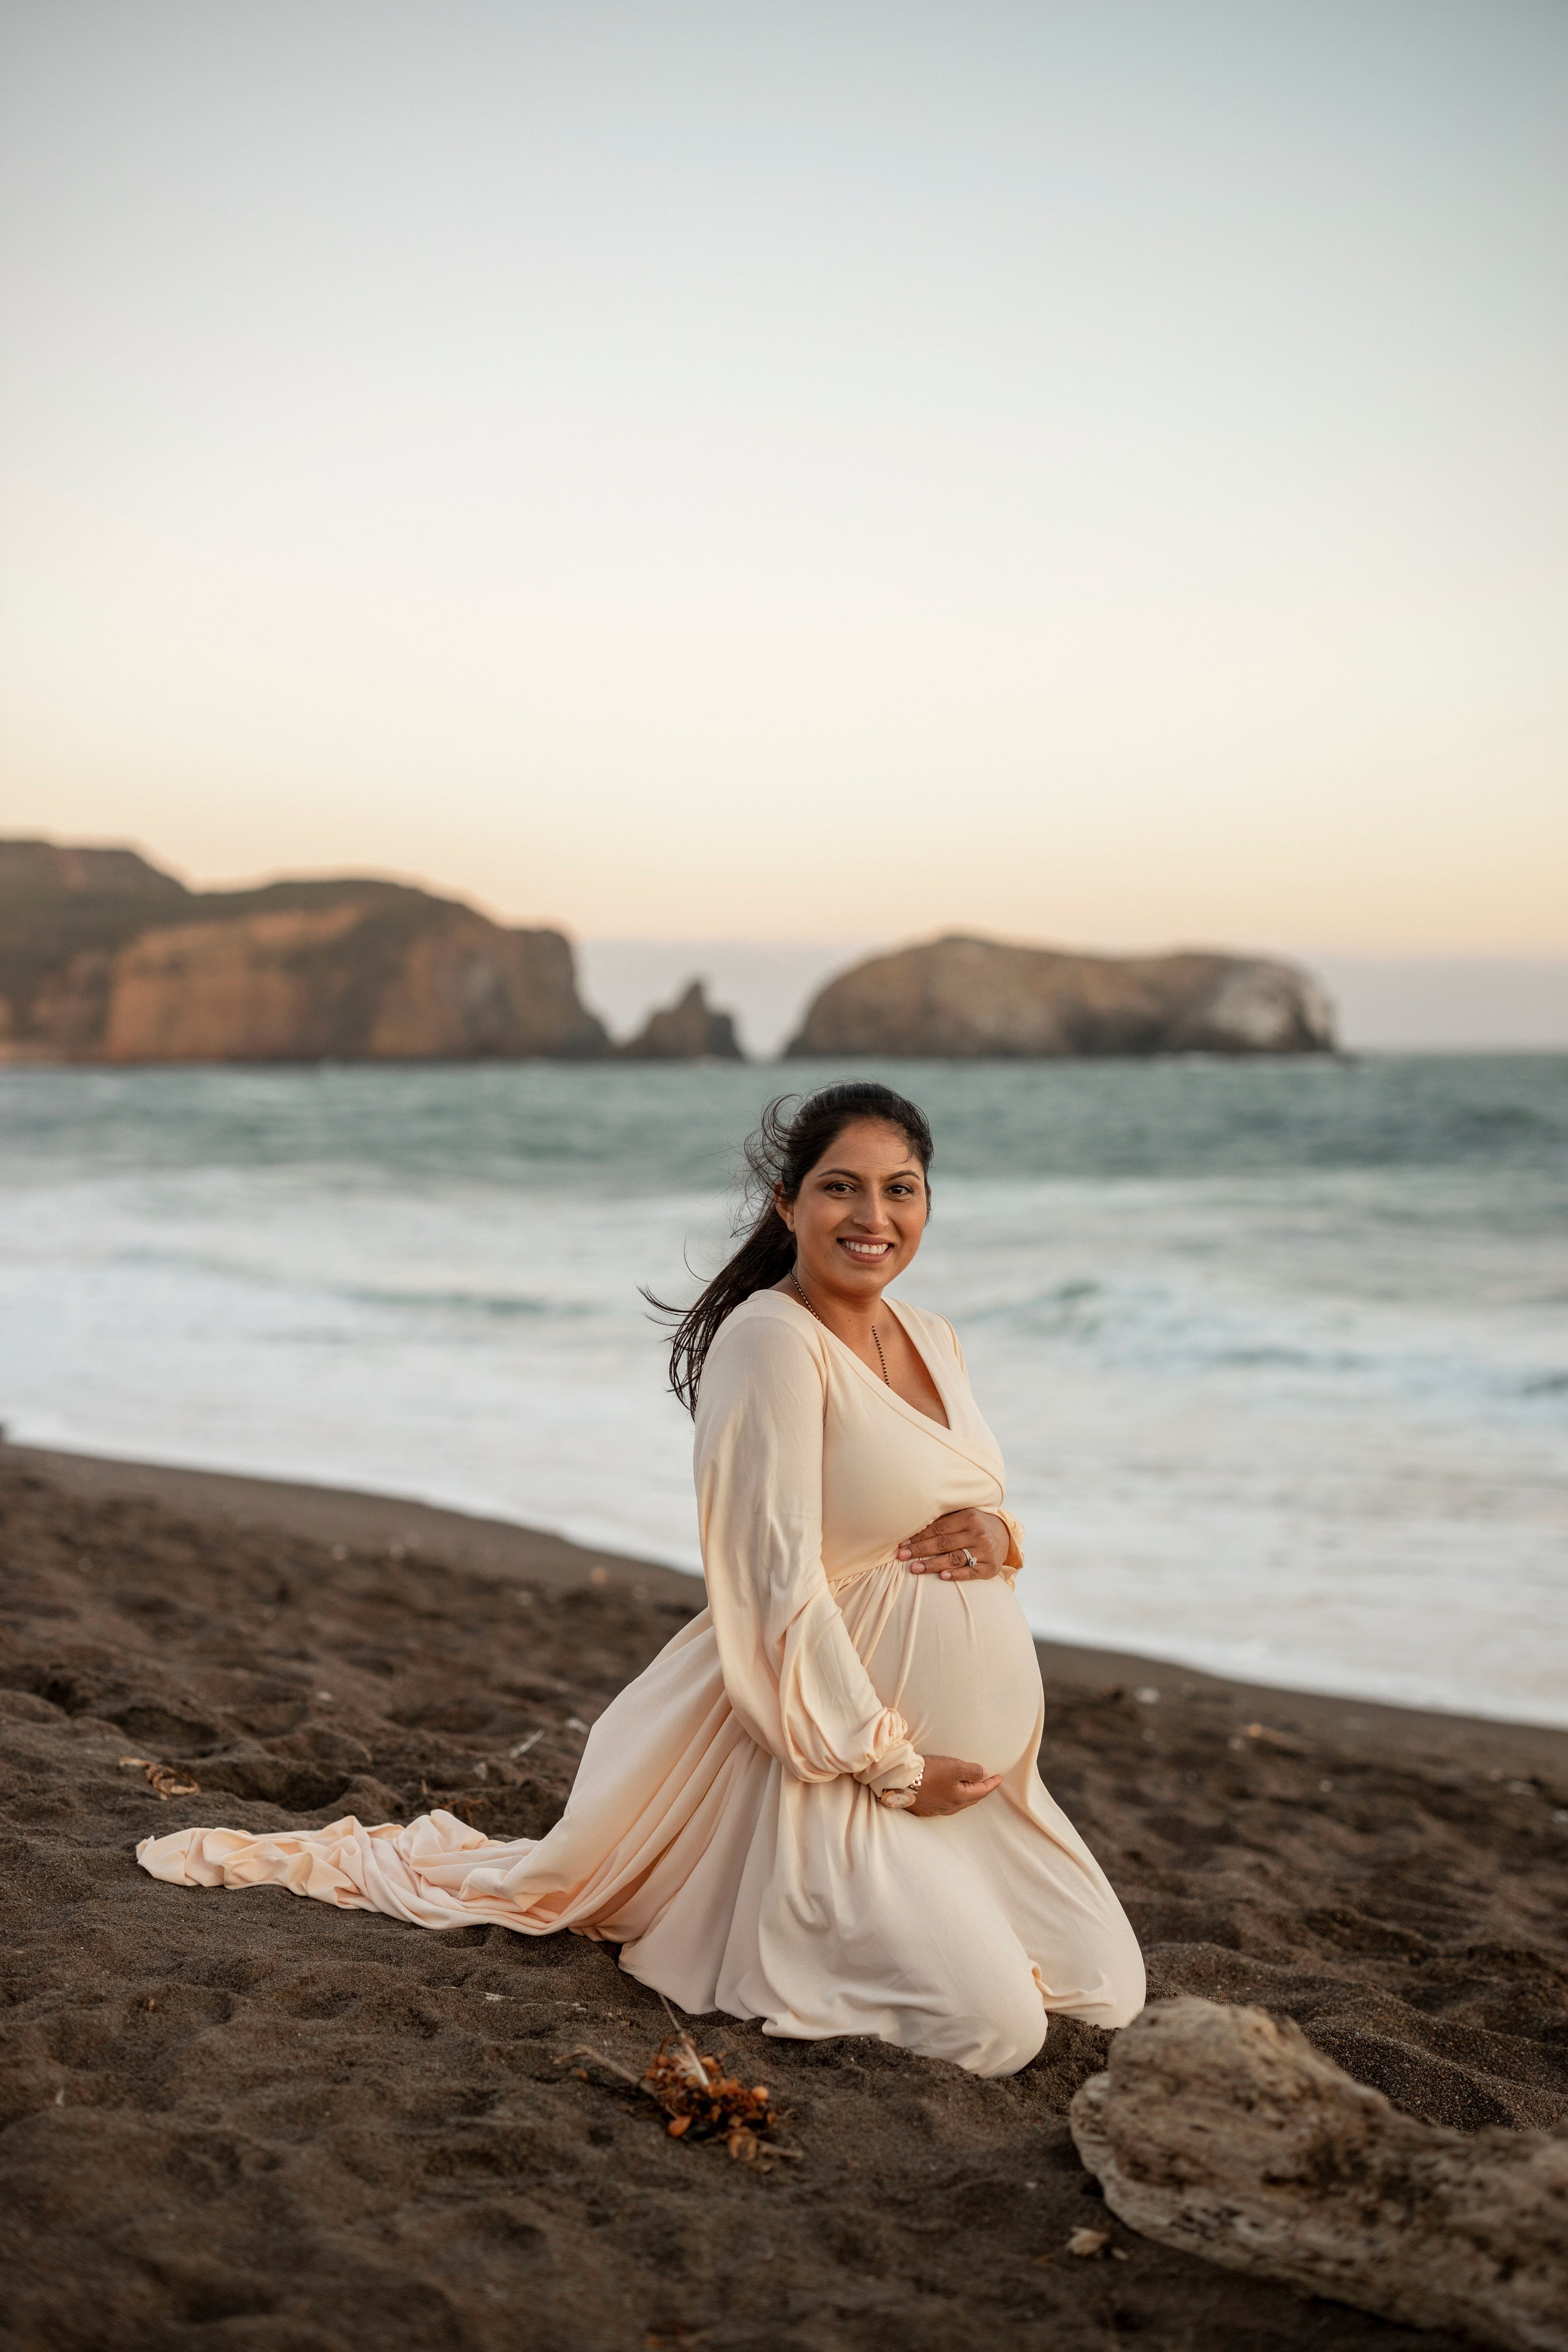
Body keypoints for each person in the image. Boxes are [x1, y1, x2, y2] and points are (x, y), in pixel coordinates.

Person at [138, 1081, 1144, 2075]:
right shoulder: (769, 1342)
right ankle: (791, 1915)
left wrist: (1003, 1533)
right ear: (789, 1204)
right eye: (842, 1188)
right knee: (996, 2034)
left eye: (903, 1189)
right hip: (845, 1780)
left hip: (992, 1794)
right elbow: (769, 1579)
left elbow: (942, 1498)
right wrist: (892, 1767)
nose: (874, 1217)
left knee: (1106, 1991)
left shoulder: (932, 1335)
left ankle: (933, 1908)